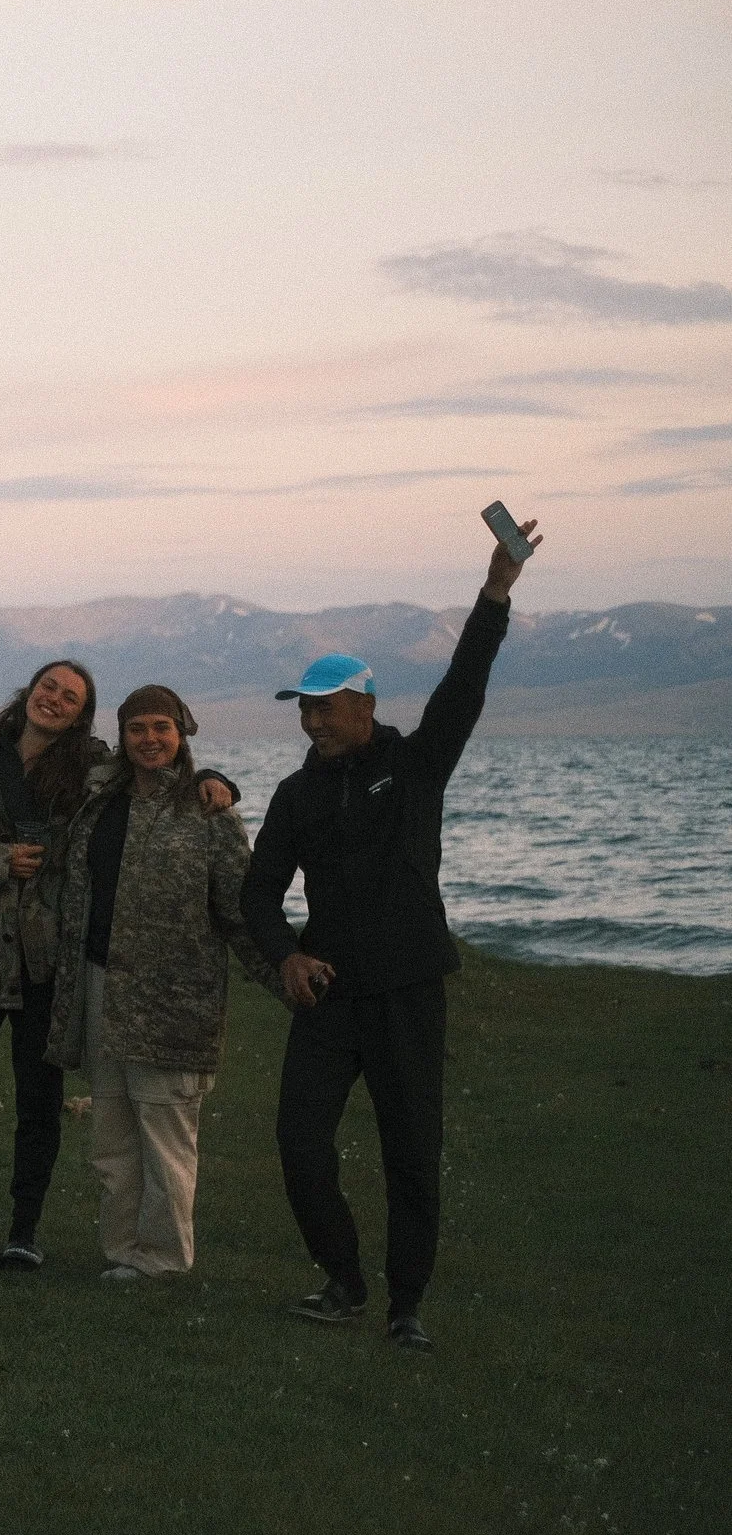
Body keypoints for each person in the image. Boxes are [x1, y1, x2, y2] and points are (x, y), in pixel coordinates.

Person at [244, 516, 541, 1353]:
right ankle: (342, 1278)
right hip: (330, 991)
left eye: (324, 709)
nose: (311, 723)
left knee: (413, 1149)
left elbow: (464, 684)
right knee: (299, 1141)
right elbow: (258, 893)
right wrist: (286, 954)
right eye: (303, 711)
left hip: (408, 984)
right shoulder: (296, 797)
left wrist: (493, 593)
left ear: (365, 705)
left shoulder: (415, 765)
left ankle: (406, 1305)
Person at [0, 662, 238, 1271]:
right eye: (49, 687)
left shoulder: (96, 768)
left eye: (70, 698)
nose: (55, 700)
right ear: (29, 690)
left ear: (82, 715)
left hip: (50, 960)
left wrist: (214, 778)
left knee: (38, 1101)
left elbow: (158, 771)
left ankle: (23, 1232)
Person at [46, 685, 281, 1280]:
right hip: (100, 987)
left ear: (183, 733)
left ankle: (165, 1259)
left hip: (175, 1000)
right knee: (112, 1136)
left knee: (165, 1135)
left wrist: (285, 974)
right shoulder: (101, 800)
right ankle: (124, 1252)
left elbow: (238, 909)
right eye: (137, 729)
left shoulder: (208, 813)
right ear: (122, 737)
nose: (149, 739)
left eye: (161, 727)